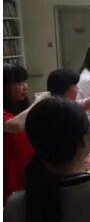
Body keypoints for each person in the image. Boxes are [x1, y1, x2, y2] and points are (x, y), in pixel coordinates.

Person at [3, 63, 51, 204]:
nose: (25, 87)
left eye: (25, 81)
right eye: (19, 83)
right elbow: (15, 126)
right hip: (9, 171)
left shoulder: (18, 106)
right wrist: (38, 102)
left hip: (27, 168)